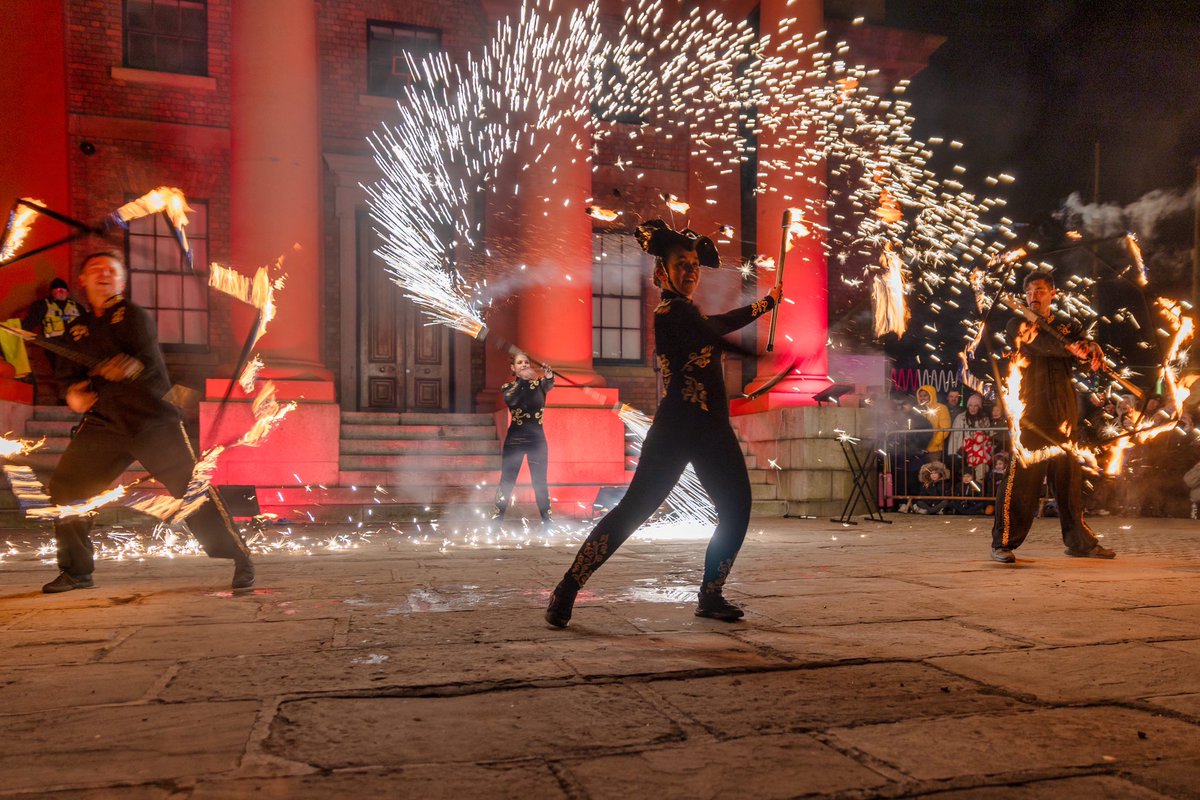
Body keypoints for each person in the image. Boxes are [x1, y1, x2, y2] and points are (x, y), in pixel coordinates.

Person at [543, 219, 779, 627]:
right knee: (634, 510)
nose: (690, 270)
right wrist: (756, 357)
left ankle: (711, 594)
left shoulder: (692, 315)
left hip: (712, 431)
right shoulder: (670, 314)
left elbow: (719, 324)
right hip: (674, 430)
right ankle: (567, 587)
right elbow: (714, 333)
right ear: (661, 272)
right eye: (681, 264)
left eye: (694, 264)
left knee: (737, 508)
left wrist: (766, 304)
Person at [41, 250, 255, 593]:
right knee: (67, 487)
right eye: (95, 269)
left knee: (190, 492)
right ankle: (76, 570)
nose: (103, 275)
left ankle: (238, 556)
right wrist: (73, 395)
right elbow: (69, 380)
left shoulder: (133, 315)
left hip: (153, 421)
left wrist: (124, 367)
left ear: (122, 281)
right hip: (105, 424)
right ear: (81, 280)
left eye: (111, 270)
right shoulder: (76, 329)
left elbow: (142, 358)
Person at [990, 271, 1115, 563]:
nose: (1034, 296)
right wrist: (1070, 347)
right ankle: (1003, 542)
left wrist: (1092, 350)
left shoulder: (1069, 326)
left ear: (1052, 294)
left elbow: (1084, 357)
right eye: (1030, 291)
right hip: (1031, 412)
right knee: (1022, 478)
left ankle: (1079, 543)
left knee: (1069, 480)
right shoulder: (1017, 323)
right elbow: (1041, 345)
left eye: (1041, 291)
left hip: (1064, 412)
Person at [492, 352, 554, 526]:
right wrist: (523, 381)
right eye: (520, 363)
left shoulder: (540, 385)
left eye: (526, 362)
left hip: (537, 441)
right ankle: (496, 521)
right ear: (514, 368)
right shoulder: (508, 387)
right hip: (515, 440)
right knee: (507, 481)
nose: (525, 364)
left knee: (540, 482)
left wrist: (548, 375)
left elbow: (549, 384)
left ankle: (547, 522)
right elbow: (513, 400)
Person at [915, 384, 950, 459]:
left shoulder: (941, 408)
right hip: (918, 449)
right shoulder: (916, 409)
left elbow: (945, 428)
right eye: (920, 396)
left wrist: (934, 442)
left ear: (931, 395)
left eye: (925, 395)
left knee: (934, 469)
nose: (922, 398)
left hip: (934, 449)